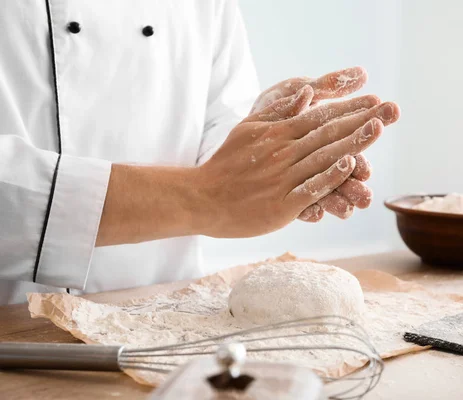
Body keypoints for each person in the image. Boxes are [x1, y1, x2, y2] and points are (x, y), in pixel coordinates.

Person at [0, 1, 400, 304]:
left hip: (164, 309)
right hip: (12, 324)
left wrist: (266, 143)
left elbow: (218, 118)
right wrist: (208, 195)